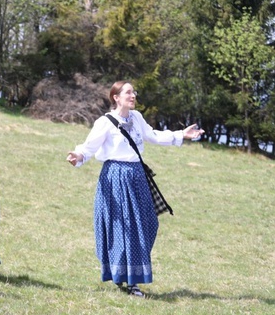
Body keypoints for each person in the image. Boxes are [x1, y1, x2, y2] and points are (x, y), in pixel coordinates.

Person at [66, 81, 204, 298]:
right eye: (128, 92)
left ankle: (126, 273)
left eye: (134, 92)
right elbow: (89, 147)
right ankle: (132, 281)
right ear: (116, 97)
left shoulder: (137, 117)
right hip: (116, 178)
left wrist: (181, 135)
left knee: (149, 222)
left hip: (137, 176)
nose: (133, 95)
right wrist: (78, 156)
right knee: (126, 228)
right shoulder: (105, 122)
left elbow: (154, 136)